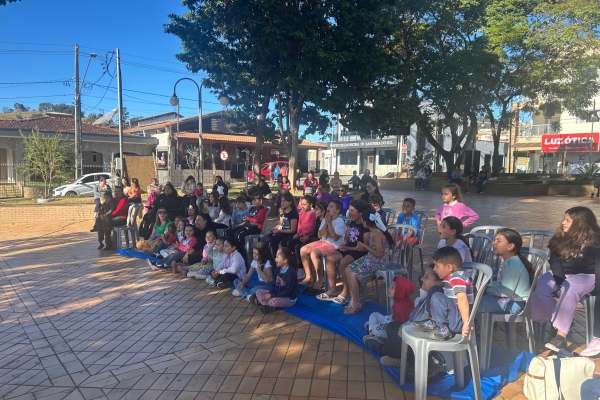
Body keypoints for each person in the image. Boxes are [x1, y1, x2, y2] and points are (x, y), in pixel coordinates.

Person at [530, 207, 600, 352]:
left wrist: (597, 287)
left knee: (570, 288)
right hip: (563, 274)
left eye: (567, 220)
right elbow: (555, 261)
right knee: (541, 284)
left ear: (580, 223)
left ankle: (560, 336)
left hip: (587, 276)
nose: (563, 223)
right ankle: (564, 322)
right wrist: (559, 279)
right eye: (564, 219)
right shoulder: (559, 238)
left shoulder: (595, 240)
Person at [363, 266, 446, 371]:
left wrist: (405, 330)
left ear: (437, 283)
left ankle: (381, 349)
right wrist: (404, 328)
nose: (422, 279)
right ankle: (403, 360)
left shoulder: (438, 301)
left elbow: (425, 326)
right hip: (413, 333)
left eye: (426, 277)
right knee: (391, 327)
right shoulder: (424, 297)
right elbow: (413, 320)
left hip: (422, 342)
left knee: (391, 343)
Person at [414, 246, 473, 341]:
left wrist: (466, 323)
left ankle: (443, 328)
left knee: (437, 296)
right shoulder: (450, 278)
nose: (434, 269)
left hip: (459, 320)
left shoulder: (456, 277)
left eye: (437, 266)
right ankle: (432, 320)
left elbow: (462, 299)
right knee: (434, 289)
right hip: (453, 315)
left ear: (449, 267)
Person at [317, 199, 370, 304]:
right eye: (349, 210)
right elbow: (346, 237)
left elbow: (365, 247)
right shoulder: (352, 222)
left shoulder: (365, 226)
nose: (349, 213)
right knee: (330, 258)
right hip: (349, 248)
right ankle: (332, 289)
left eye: (352, 211)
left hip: (359, 251)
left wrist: (349, 248)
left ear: (360, 212)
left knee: (344, 262)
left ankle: (345, 292)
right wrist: (344, 244)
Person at [343, 210, 392, 315]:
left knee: (352, 273)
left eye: (362, 220)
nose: (361, 221)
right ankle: (354, 299)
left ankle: (356, 302)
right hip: (371, 258)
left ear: (366, 221)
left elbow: (379, 254)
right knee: (347, 269)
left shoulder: (377, 234)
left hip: (379, 261)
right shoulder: (373, 232)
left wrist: (365, 246)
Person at [478, 229, 533, 315]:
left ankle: (470, 322)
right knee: (474, 299)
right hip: (510, 300)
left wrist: (486, 290)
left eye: (498, 241)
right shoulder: (510, 261)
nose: (494, 243)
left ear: (510, 246)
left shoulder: (512, 265)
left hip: (514, 304)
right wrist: (487, 286)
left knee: (474, 302)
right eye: (495, 240)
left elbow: (506, 291)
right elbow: (502, 284)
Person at [299, 200, 347, 291]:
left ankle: (320, 279)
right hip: (323, 241)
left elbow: (335, 237)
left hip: (333, 244)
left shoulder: (340, 222)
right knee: (303, 250)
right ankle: (309, 276)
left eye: (331, 206)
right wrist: (326, 222)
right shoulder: (325, 219)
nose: (328, 208)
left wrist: (329, 223)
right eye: (328, 206)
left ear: (337, 211)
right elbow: (320, 235)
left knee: (314, 253)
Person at [252, 247, 300, 314]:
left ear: (285, 260)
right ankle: (267, 305)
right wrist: (270, 293)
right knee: (258, 291)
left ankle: (266, 304)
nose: (275, 259)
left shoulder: (291, 273)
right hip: (277, 294)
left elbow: (287, 292)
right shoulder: (277, 270)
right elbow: (274, 284)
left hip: (288, 298)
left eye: (277, 257)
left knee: (272, 301)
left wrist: (272, 296)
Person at [98, 186, 129, 251]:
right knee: (99, 220)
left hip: (122, 218)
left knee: (105, 223)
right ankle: (100, 242)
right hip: (112, 217)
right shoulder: (113, 199)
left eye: (118, 191)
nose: (117, 192)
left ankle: (108, 243)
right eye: (115, 191)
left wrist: (106, 215)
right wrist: (102, 215)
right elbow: (105, 208)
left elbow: (117, 211)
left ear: (122, 192)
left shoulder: (123, 200)